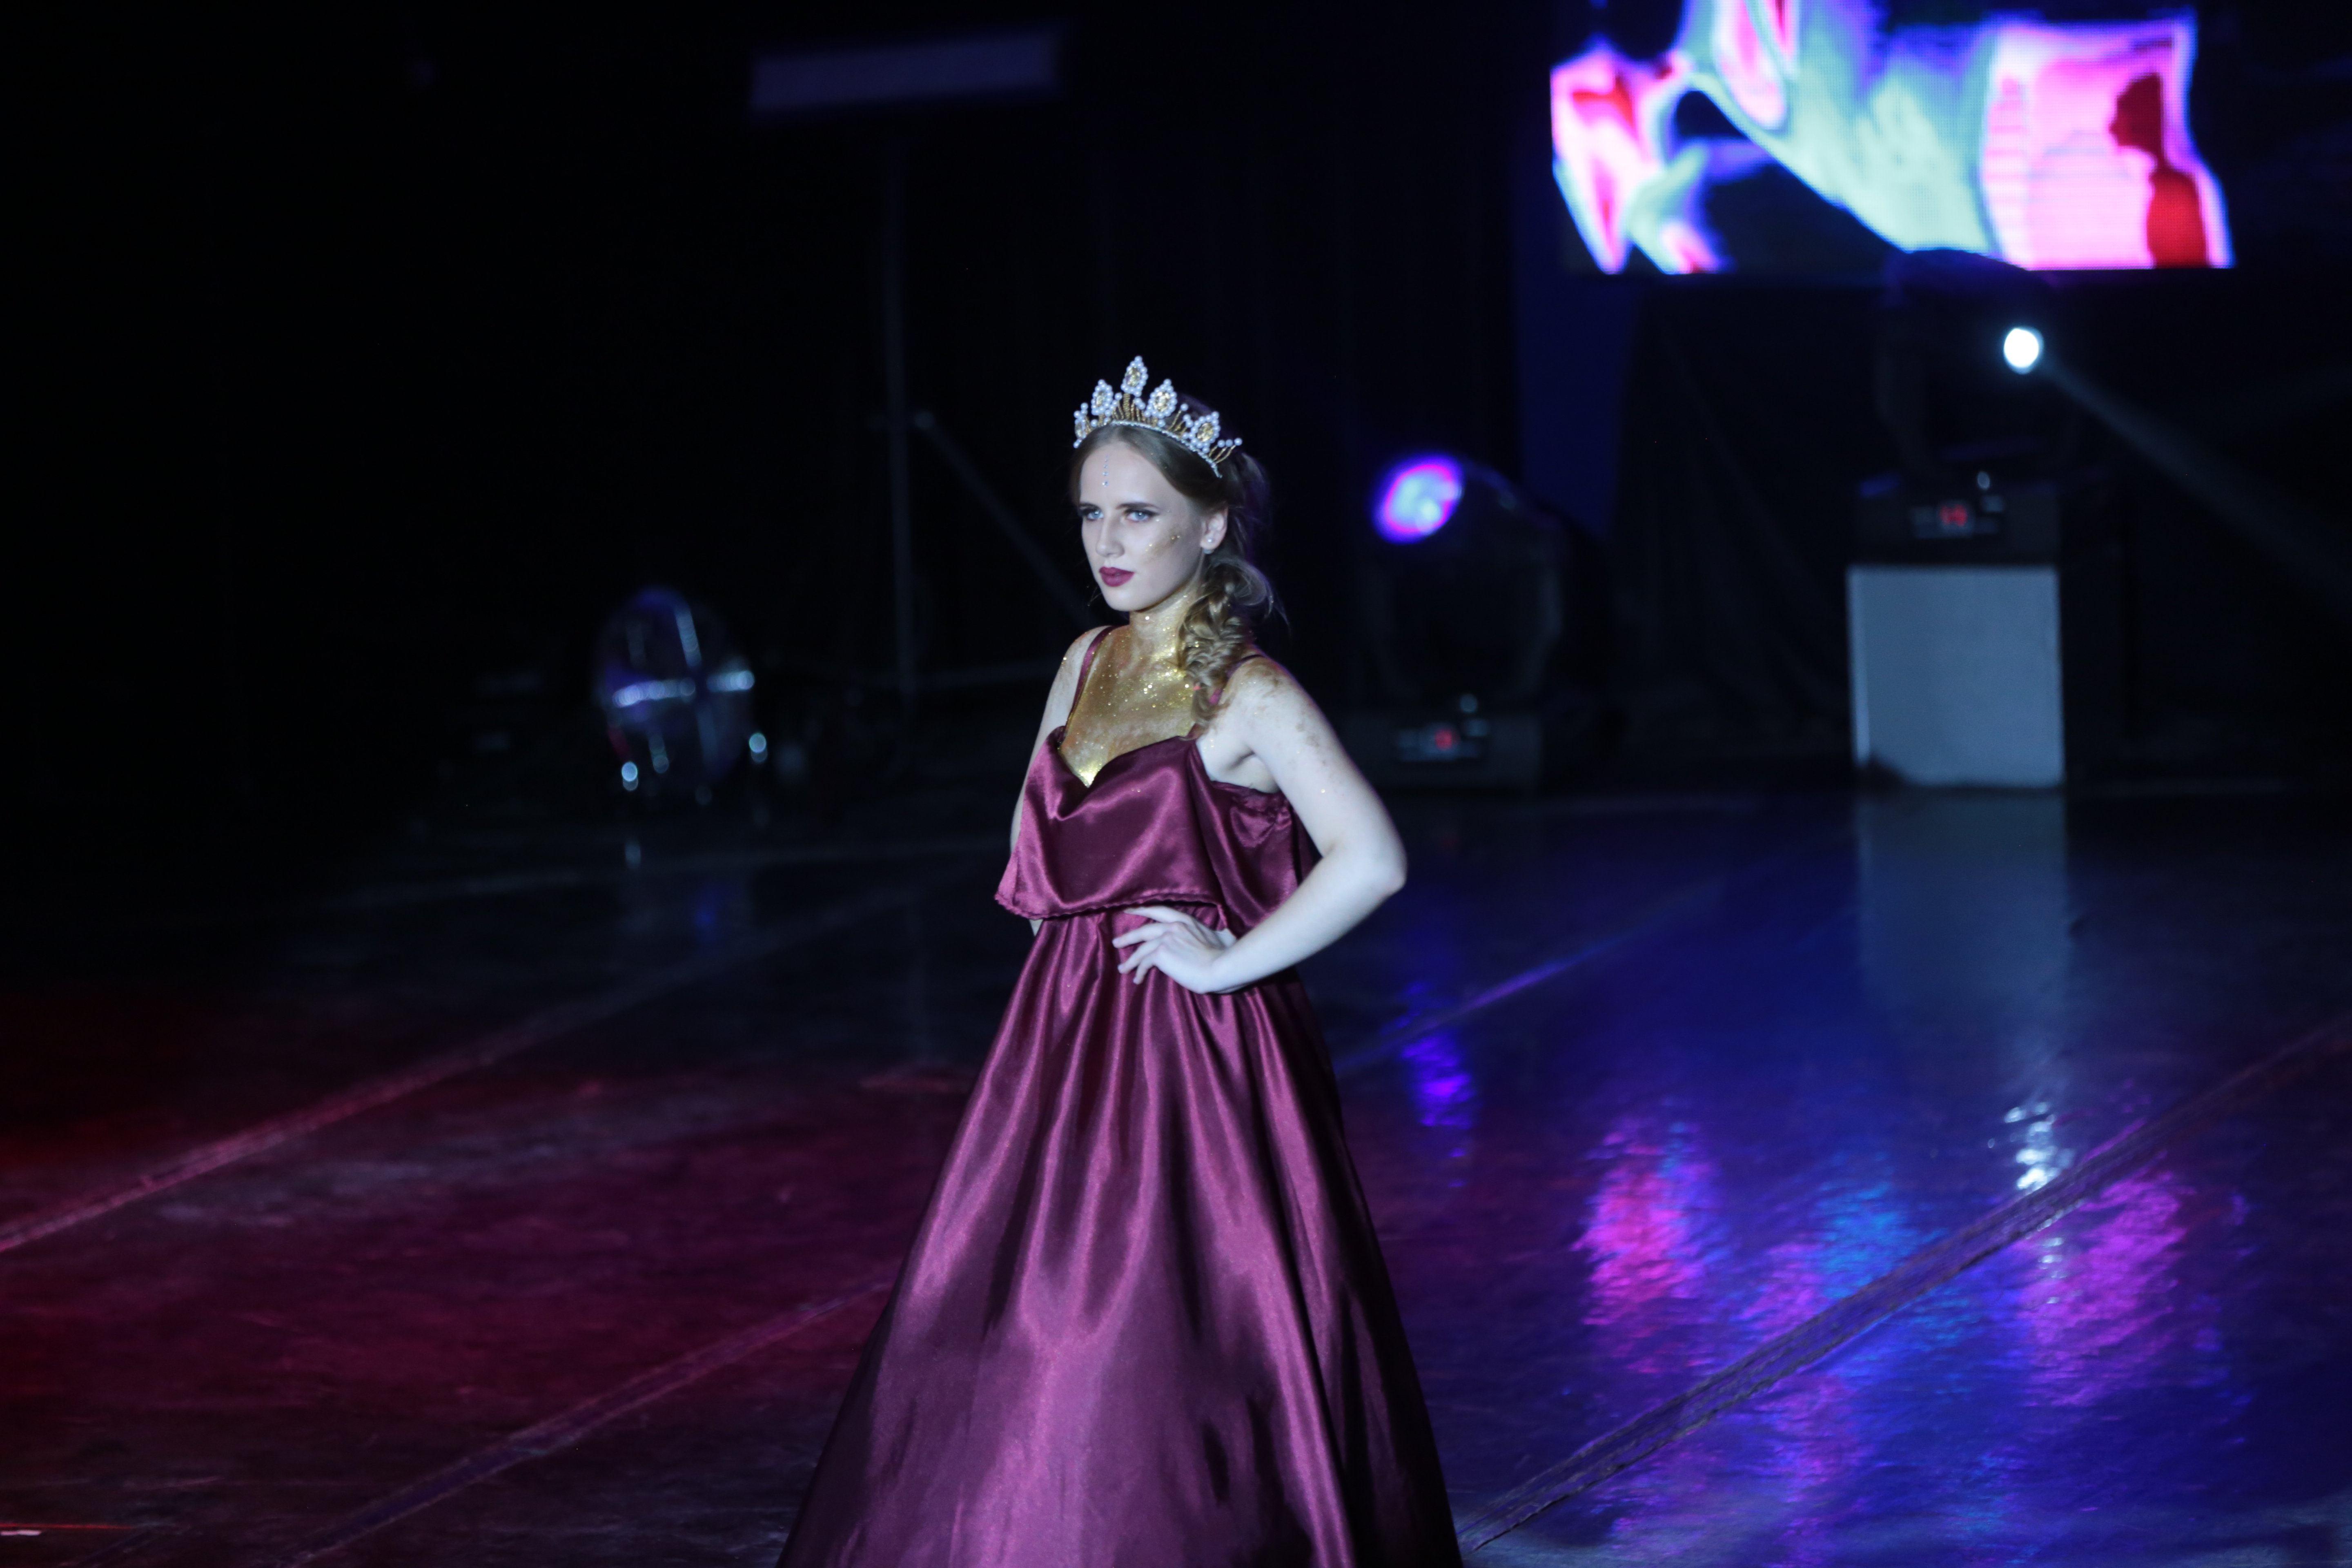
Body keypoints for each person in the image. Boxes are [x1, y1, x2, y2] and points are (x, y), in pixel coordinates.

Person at [779, 359, 1460, 1567]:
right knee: (1020, 1304)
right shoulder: (1085, 661)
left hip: (1195, 1049)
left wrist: (1226, 961)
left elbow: (1373, 859)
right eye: (1092, 512)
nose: (1108, 539)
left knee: (1170, 1321)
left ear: (1210, 525)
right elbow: (1036, 851)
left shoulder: (1250, 693)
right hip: (1065, 1031)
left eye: (1139, 512)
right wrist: (1067, 978)